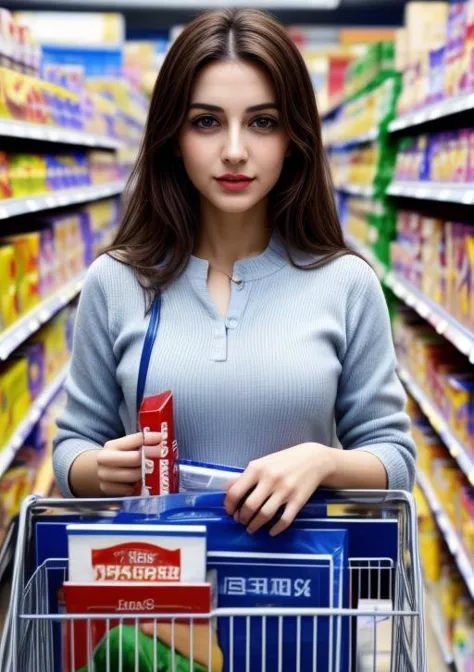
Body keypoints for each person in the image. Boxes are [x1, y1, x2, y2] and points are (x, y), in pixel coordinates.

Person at [53, 8, 416, 538]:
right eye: (206, 122)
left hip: (296, 602)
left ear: (294, 138)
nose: (235, 151)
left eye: (262, 122)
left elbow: (395, 457)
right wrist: (101, 468)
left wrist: (324, 462)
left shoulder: (346, 284)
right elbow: (71, 448)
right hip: (158, 599)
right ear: (173, 137)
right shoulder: (116, 281)